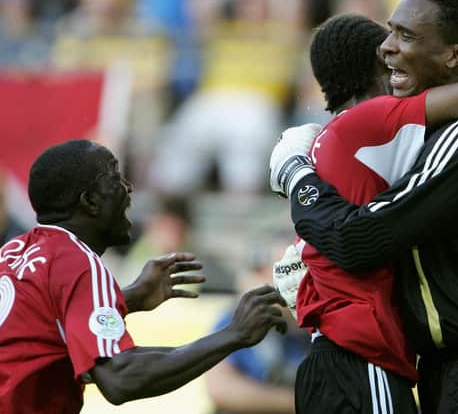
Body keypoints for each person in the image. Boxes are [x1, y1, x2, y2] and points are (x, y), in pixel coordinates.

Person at [270, 0, 458, 413]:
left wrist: (299, 180)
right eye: (390, 32)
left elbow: (358, 239)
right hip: (448, 362)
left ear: (454, 55)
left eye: (406, 36)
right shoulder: (412, 135)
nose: (387, 48)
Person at [0, 139, 288, 413]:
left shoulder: (14, 252)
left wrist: (127, 299)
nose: (128, 188)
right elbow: (119, 378)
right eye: (114, 177)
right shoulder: (76, 260)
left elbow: (40, 328)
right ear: (90, 201)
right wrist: (233, 334)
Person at [205, 240, 310, 414]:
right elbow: (220, 389)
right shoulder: (238, 319)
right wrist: (296, 402)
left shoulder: (316, 323)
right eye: (286, 270)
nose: (297, 280)